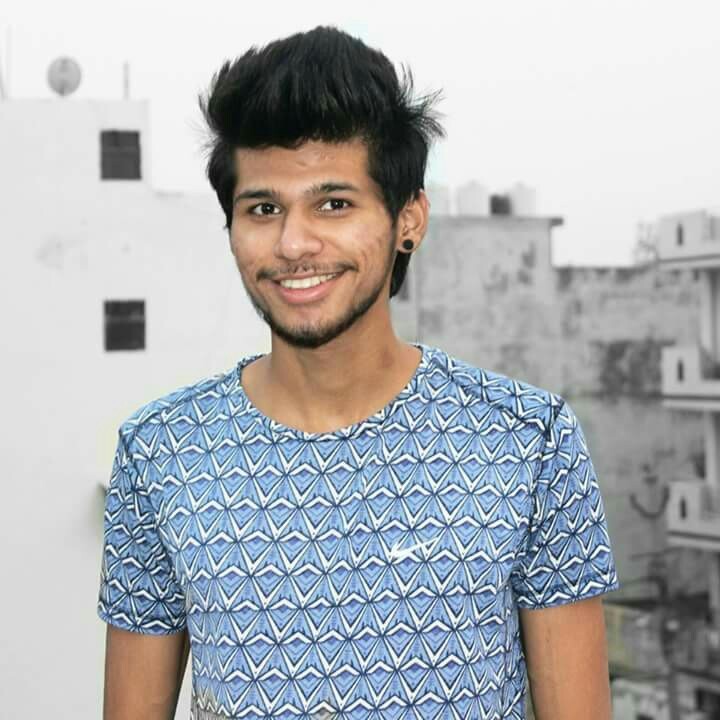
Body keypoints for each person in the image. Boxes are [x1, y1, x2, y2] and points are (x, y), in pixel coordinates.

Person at [97, 25, 620, 720]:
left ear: (409, 219)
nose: (293, 243)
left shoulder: (528, 442)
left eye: (334, 204)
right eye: (263, 209)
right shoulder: (162, 452)